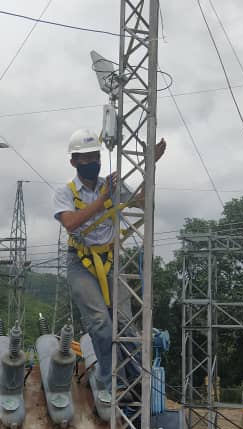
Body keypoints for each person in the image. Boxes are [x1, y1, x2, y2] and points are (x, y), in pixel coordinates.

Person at [53, 128, 167, 405]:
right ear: (74, 162)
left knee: (126, 327)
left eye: (95, 156)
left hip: (111, 260)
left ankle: (136, 384)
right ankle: (109, 381)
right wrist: (103, 200)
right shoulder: (65, 192)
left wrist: (148, 167)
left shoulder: (112, 185)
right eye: (85, 158)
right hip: (81, 263)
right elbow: (70, 222)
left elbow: (140, 203)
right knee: (101, 325)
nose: (92, 161)